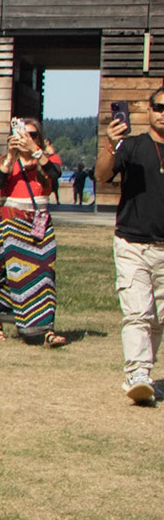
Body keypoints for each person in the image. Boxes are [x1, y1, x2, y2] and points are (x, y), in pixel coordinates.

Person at [99, 91, 164, 404]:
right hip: (132, 243)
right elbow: (102, 175)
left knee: (158, 318)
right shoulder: (133, 146)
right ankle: (137, 372)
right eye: (159, 107)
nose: (163, 113)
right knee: (138, 312)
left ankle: (144, 374)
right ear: (149, 111)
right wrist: (110, 145)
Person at [0, 117, 67, 347]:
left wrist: (36, 152)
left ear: (39, 138)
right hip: (11, 221)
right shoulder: (5, 160)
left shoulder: (48, 160)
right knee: (9, 273)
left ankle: (46, 329)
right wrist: (11, 157)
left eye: (33, 134)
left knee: (45, 274)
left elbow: (55, 173)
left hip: (40, 222)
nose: (27, 138)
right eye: (24, 133)